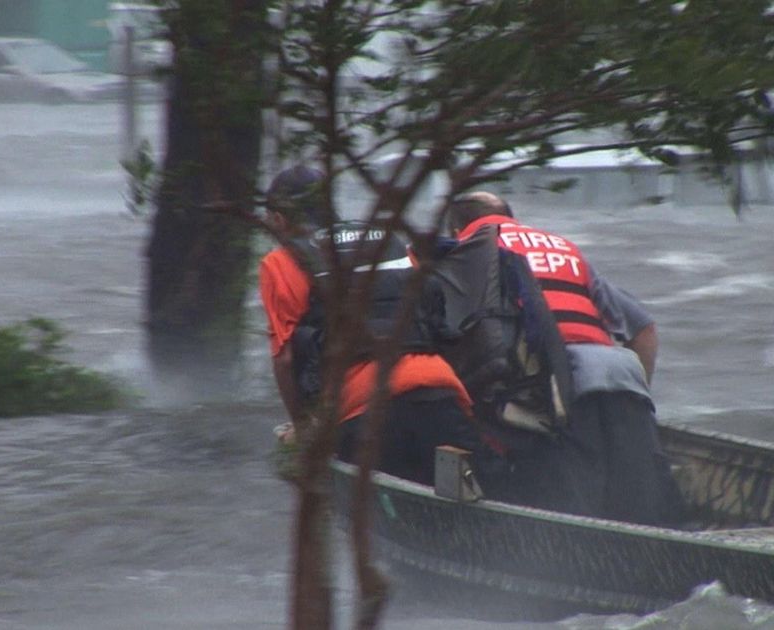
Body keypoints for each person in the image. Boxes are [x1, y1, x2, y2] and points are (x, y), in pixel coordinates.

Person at [443, 191, 683, 525]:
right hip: (620, 372)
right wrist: (639, 392)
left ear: (456, 230)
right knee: (642, 494)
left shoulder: (466, 251)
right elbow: (643, 330)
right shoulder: (563, 247)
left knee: (577, 504)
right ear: (511, 216)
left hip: (559, 383)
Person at [259, 166, 498, 486]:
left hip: (363, 413)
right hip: (440, 391)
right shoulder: (391, 242)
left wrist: (304, 427)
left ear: (278, 220)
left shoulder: (281, 261)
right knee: (475, 499)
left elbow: (285, 357)